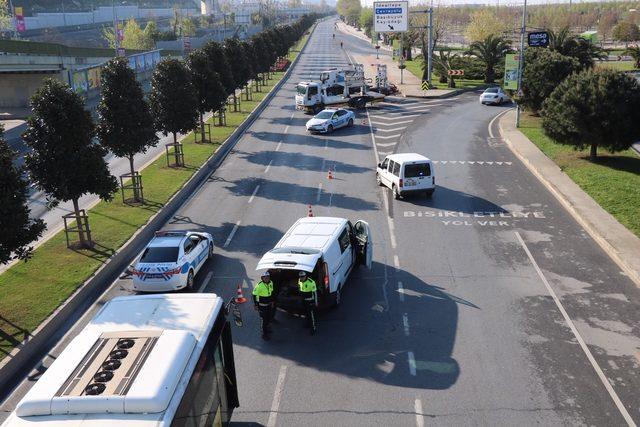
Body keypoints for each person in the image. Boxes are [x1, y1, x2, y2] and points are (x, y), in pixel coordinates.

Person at [253, 272, 275, 340]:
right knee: (263, 320)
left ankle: (267, 329)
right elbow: (255, 295)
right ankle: (264, 334)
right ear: (262, 278)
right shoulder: (259, 285)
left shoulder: (271, 283)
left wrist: (272, 301)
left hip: (269, 305)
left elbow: (271, 292)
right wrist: (256, 305)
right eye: (265, 277)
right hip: (262, 306)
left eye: (268, 277)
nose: (267, 278)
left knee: (268, 318)